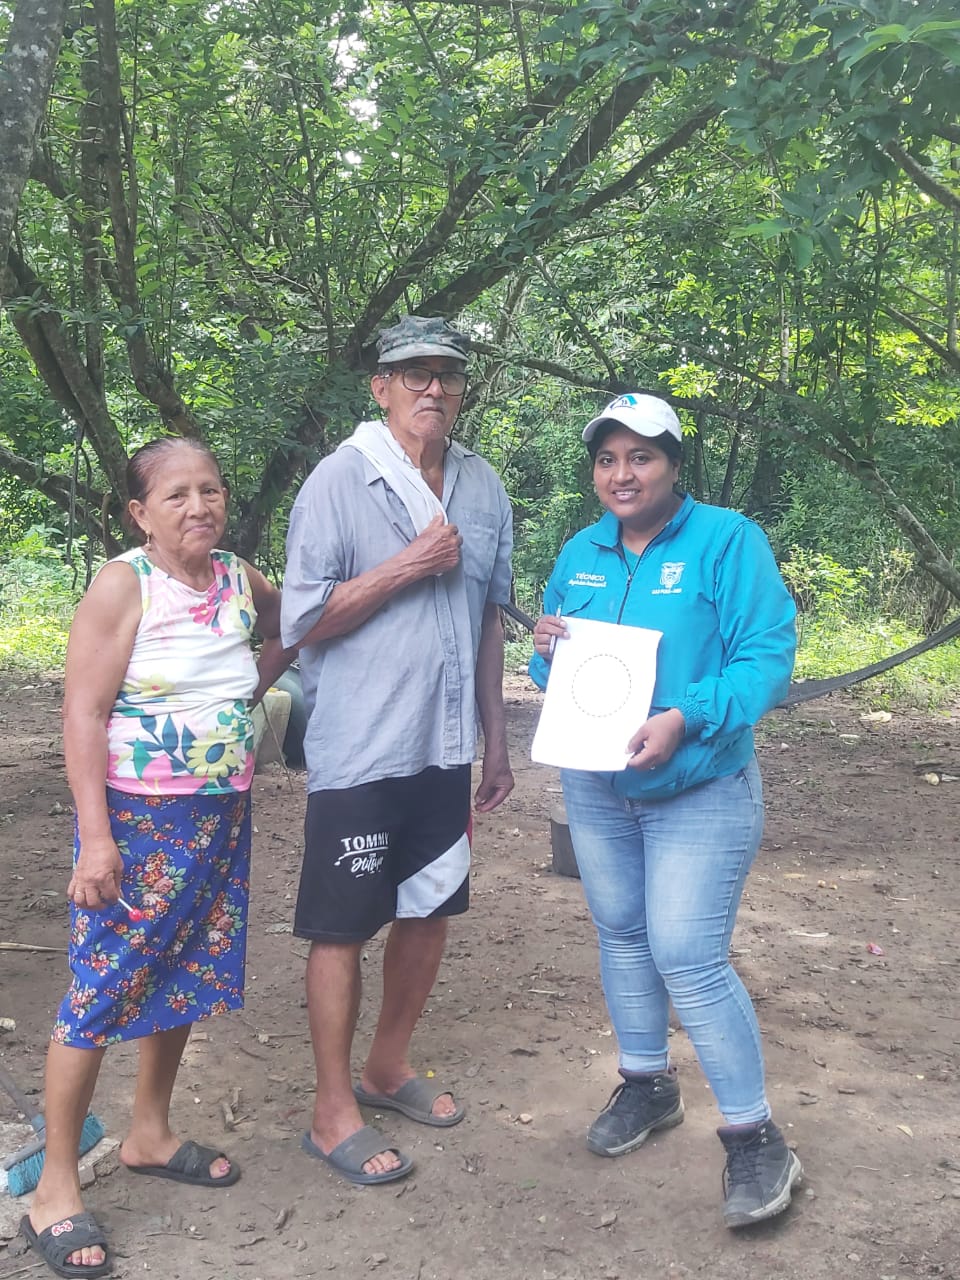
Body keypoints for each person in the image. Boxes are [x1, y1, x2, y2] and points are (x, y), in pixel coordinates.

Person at [530, 393, 801, 1229]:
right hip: (598, 786)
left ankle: (757, 1138)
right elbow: (561, 676)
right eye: (607, 459)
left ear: (674, 465)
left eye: (641, 457)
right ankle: (647, 1084)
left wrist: (686, 716)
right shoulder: (580, 551)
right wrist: (546, 654)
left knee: (687, 952)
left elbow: (768, 655)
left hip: (700, 785)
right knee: (621, 931)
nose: (623, 474)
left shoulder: (727, 540)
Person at [21, 438, 288, 1279]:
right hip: (138, 825)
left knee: (182, 971)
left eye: (211, 489)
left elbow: (285, 626)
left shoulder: (239, 577)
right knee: (102, 989)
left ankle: (149, 1132)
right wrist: (95, 838)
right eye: (176, 495)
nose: (199, 506)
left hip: (220, 817)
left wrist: (244, 694)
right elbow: (83, 714)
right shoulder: (124, 583)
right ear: (140, 513)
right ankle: (53, 1188)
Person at [281, 315, 514, 1186]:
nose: (433, 389)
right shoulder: (338, 481)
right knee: (341, 926)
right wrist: (410, 563)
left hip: (445, 746)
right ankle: (330, 1108)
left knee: (428, 909)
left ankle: (387, 1065)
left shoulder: (483, 486)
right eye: (414, 373)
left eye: (447, 374)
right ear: (380, 387)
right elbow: (304, 622)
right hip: (363, 744)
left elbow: (488, 619)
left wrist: (495, 739)